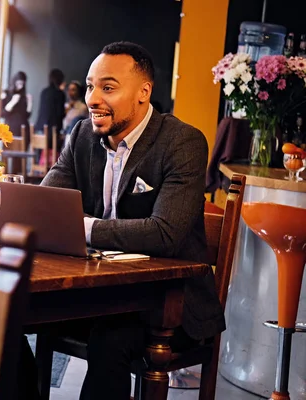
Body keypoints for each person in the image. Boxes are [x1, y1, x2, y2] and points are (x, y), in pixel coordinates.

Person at [41, 42, 224, 399]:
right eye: (91, 85)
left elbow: (164, 233)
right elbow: (45, 207)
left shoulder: (182, 142)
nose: (93, 98)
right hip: (99, 291)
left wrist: (85, 227)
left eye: (107, 88)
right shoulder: (82, 135)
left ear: (144, 92)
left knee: (110, 339)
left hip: (168, 302)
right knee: (6, 313)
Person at [1, 71, 32, 173]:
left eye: (22, 84)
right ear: (14, 82)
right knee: (7, 154)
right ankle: (4, 175)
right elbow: (3, 113)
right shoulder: (6, 93)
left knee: (20, 157)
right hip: (10, 129)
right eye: (18, 83)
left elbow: (27, 115)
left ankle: (17, 176)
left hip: (23, 129)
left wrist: (30, 102)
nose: (20, 86)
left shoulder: (24, 96)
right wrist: (13, 102)